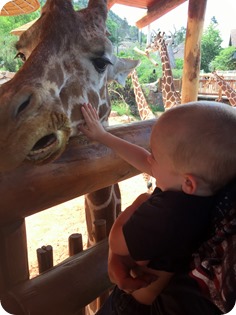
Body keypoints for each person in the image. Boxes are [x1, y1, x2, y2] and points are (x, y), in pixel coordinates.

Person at [79, 101, 236, 315]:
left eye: (155, 157)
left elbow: (117, 242)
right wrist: (102, 135)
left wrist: (140, 201)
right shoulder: (208, 191)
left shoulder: (168, 213)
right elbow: (145, 160)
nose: (149, 159)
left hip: (131, 306)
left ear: (188, 182)